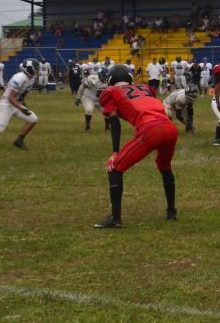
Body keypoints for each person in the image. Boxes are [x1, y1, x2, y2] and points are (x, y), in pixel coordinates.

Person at [95, 65, 179, 228]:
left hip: (150, 130)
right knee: (164, 166)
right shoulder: (146, 88)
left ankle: (115, 218)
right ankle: (171, 211)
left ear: (111, 80)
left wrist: (114, 152)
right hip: (170, 128)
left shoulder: (111, 92)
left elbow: (114, 123)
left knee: (115, 167)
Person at [0, 58, 40, 151]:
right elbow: (11, 97)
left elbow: (22, 94)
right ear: (29, 69)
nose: (38, 70)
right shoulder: (19, 78)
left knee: (33, 119)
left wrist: (24, 104)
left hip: (16, 103)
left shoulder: (31, 79)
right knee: (0, 128)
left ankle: (19, 141)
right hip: (6, 104)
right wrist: (21, 108)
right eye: (36, 68)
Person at [75, 68, 109, 132]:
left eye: (107, 76)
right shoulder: (93, 80)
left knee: (108, 112)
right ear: (99, 75)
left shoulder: (110, 81)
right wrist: (78, 98)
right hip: (89, 98)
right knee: (89, 110)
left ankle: (107, 127)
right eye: (104, 76)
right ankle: (87, 127)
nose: (106, 78)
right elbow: (82, 87)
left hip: (100, 100)